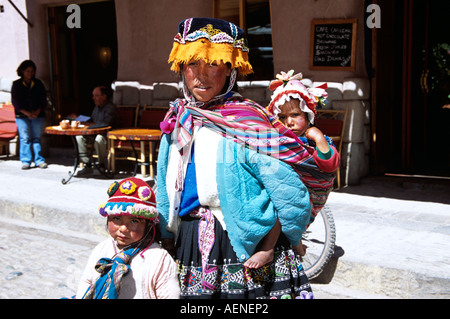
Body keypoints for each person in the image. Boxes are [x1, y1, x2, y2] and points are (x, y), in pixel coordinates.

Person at [157, 17, 315, 299]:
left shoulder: (250, 122)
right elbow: (163, 182)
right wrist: (167, 235)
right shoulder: (178, 120)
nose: (201, 74)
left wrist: (281, 240)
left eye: (214, 63)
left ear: (231, 70)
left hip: (244, 239)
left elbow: (285, 188)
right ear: (181, 68)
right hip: (190, 241)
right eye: (192, 63)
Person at [244, 70, 340, 269]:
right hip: (283, 186)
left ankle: (270, 248)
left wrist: (320, 139)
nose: (289, 121)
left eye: (296, 115)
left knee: (281, 202)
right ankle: (293, 242)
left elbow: (329, 165)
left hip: (304, 192)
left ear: (309, 115)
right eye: (283, 117)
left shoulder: (314, 141)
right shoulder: (280, 141)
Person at [75, 177, 180, 299]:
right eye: (117, 219)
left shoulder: (159, 259)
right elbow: (87, 281)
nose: (123, 228)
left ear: (148, 225)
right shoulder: (102, 249)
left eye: (134, 221)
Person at [11, 60, 48, 170]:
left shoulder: (38, 83)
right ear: (22, 71)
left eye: (32, 71)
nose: (30, 73)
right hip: (22, 116)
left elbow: (43, 99)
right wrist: (26, 112)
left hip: (37, 115)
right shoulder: (16, 84)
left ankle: (39, 160)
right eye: (28, 71)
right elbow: (15, 102)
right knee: (25, 138)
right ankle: (26, 161)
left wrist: (37, 112)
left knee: (36, 137)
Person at [75, 86, 119, 175]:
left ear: (104, 96)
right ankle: (87, 164)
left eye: (96, 96)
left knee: (99, 139)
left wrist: (90, 124)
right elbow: (93, 120)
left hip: (107, 135)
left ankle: (101, 165)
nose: (93, 98)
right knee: (79, 137)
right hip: (93, 134)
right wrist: (82, 121)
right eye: (93, 96)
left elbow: (105, 124)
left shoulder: (110, 108)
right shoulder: (96, 108)